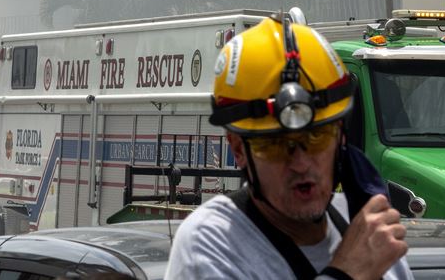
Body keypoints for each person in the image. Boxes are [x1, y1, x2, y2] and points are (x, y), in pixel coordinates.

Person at [165, 17, 412, 279]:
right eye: (275, 145)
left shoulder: (369, 235)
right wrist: (346, 273)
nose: (302, 164)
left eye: (317, 138)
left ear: (341, 137)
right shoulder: (211, 245)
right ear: (238, 149)